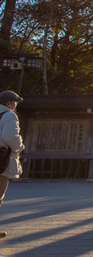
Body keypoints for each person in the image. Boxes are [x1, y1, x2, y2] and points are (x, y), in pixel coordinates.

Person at [0, 91, 24, 239]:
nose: (15, 106)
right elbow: (10, 137)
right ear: (8, 103)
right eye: (14, 102)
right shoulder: (8, 115)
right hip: (1, 159)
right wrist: (20, 147)